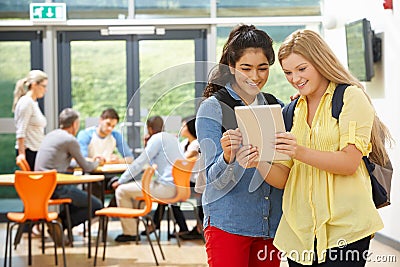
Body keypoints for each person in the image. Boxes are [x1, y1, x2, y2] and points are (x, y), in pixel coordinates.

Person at [235, 29, 390, 266]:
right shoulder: (291, 111)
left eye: (302, 69)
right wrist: (258, 162)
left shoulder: (350, 97)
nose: (295, 78)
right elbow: (284, 178)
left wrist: (299, 151)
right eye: (288, 72)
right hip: (300, 231)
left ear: (320, 62)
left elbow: (349, 162)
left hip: (346, 229)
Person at [196, 24, 283, 267]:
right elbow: (211, 180)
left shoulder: (278, 106)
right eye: (246, 68)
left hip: (270, 225)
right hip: (228, 224)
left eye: (263, 68)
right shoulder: (212, 108)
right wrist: (227, 157)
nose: (255, 77)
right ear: (232, 67)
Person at [111, 115, 189, 242]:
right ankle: (134, 228)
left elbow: (139, 163)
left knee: (122, 190)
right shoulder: (173, 139)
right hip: (178, 187)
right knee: (133, 192)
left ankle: (130, 233)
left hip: (166, 188)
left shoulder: (157, 139)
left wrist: (120, 181)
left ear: (150, 129)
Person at [35, 108, 103, 244]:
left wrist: (74, 164)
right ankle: (62, 223)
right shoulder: (70, 140)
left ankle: (59, 223)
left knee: (80, 200)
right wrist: (98, 162)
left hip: (40, 186)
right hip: (56, 187)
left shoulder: (51, 135)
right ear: (74, 124)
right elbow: (87, 167)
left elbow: (59, 160)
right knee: (96, 204)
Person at [77, 108, 134, 203]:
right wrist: (95, 160)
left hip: (109, 175)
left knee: (123, 186)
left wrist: (118, 161)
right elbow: (81, 159)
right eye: (108, 124)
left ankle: (108, 212)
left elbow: (130, 159)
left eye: (113, 126)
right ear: (100, 120)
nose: (110, 129)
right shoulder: (86, 134)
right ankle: (97, 215)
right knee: (96, 187)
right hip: (91, 175)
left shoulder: (116, 136)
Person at [12, 70, 48, 171]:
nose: (45, 90)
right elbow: (21, 130)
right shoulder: (26, 102)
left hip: (37, 151)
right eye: (44, 86)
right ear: (34, 85)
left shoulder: (33, 103)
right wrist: (21, 154)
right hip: (30, 152)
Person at [178, 115, 204, 240]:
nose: (181, 128)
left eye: (183, 125)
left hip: (195, 182)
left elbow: (180, 160)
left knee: (170, 195)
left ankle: (186, 228)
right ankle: (186, 228)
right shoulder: (184, 143)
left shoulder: (196, 144)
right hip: (188, 180)